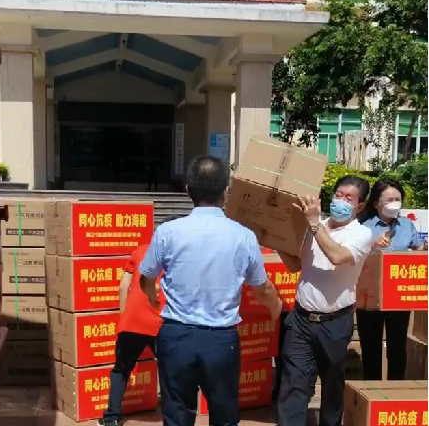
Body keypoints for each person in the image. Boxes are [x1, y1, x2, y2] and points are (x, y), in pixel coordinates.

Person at [138, 155, 283, 426]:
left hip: (176, 337)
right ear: (225, 192)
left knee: (176, 415)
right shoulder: (243, 236)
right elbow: (262, 288)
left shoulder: (167, 232)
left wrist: (153, 298)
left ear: (188, 190)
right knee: (224, 415)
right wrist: (276, 308)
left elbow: (146, 278)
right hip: (220, 341)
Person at [277, 175, 373, 426]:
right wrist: (276, 240)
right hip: (301, 319)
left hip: (334, 322)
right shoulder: (313, 226)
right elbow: (295, 265)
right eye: (338, 195)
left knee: (331, 384)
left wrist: (313, 224)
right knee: (293, 384)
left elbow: (337, 257)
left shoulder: (361, 234)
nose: (341, 201)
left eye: (348, 198)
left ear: (360, 206)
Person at [97, 215, 182, 426]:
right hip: (161, 323)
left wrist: (125, 316)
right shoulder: (180, 256)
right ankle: (172, 417)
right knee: (169, 371)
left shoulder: (141, 251)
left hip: (132, 321)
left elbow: (123, 286)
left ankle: (112, 418)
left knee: (121, 369)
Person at [356, 179, 428, 382]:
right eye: (389, 200)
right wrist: (371, 244)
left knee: (397, 347)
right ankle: (371, 389)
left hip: (398, 295)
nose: (394, 204)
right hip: (369, 295)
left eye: (398, 199)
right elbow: (350, 253)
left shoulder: (406, 225)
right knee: (371, 347)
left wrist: (424, 248)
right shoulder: (362, 226)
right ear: (376, 203)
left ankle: (395, 387)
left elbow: (416, 248)